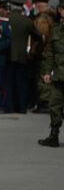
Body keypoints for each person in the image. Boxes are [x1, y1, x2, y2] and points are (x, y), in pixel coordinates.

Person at [8, 1, 40, 114]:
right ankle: (21, 107)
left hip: (8, 55)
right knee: (21, 83)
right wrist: (33, 49)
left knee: (9, 83)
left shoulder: (7, 19)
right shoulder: (27, 21)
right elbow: (38, 36)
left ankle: (10, 107)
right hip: (22, 56)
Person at [38, 9, 64, 147]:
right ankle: (54, 135)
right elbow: (50, 53)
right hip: (59, 76)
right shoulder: (56, 30)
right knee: (54, 105)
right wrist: (47, 71)